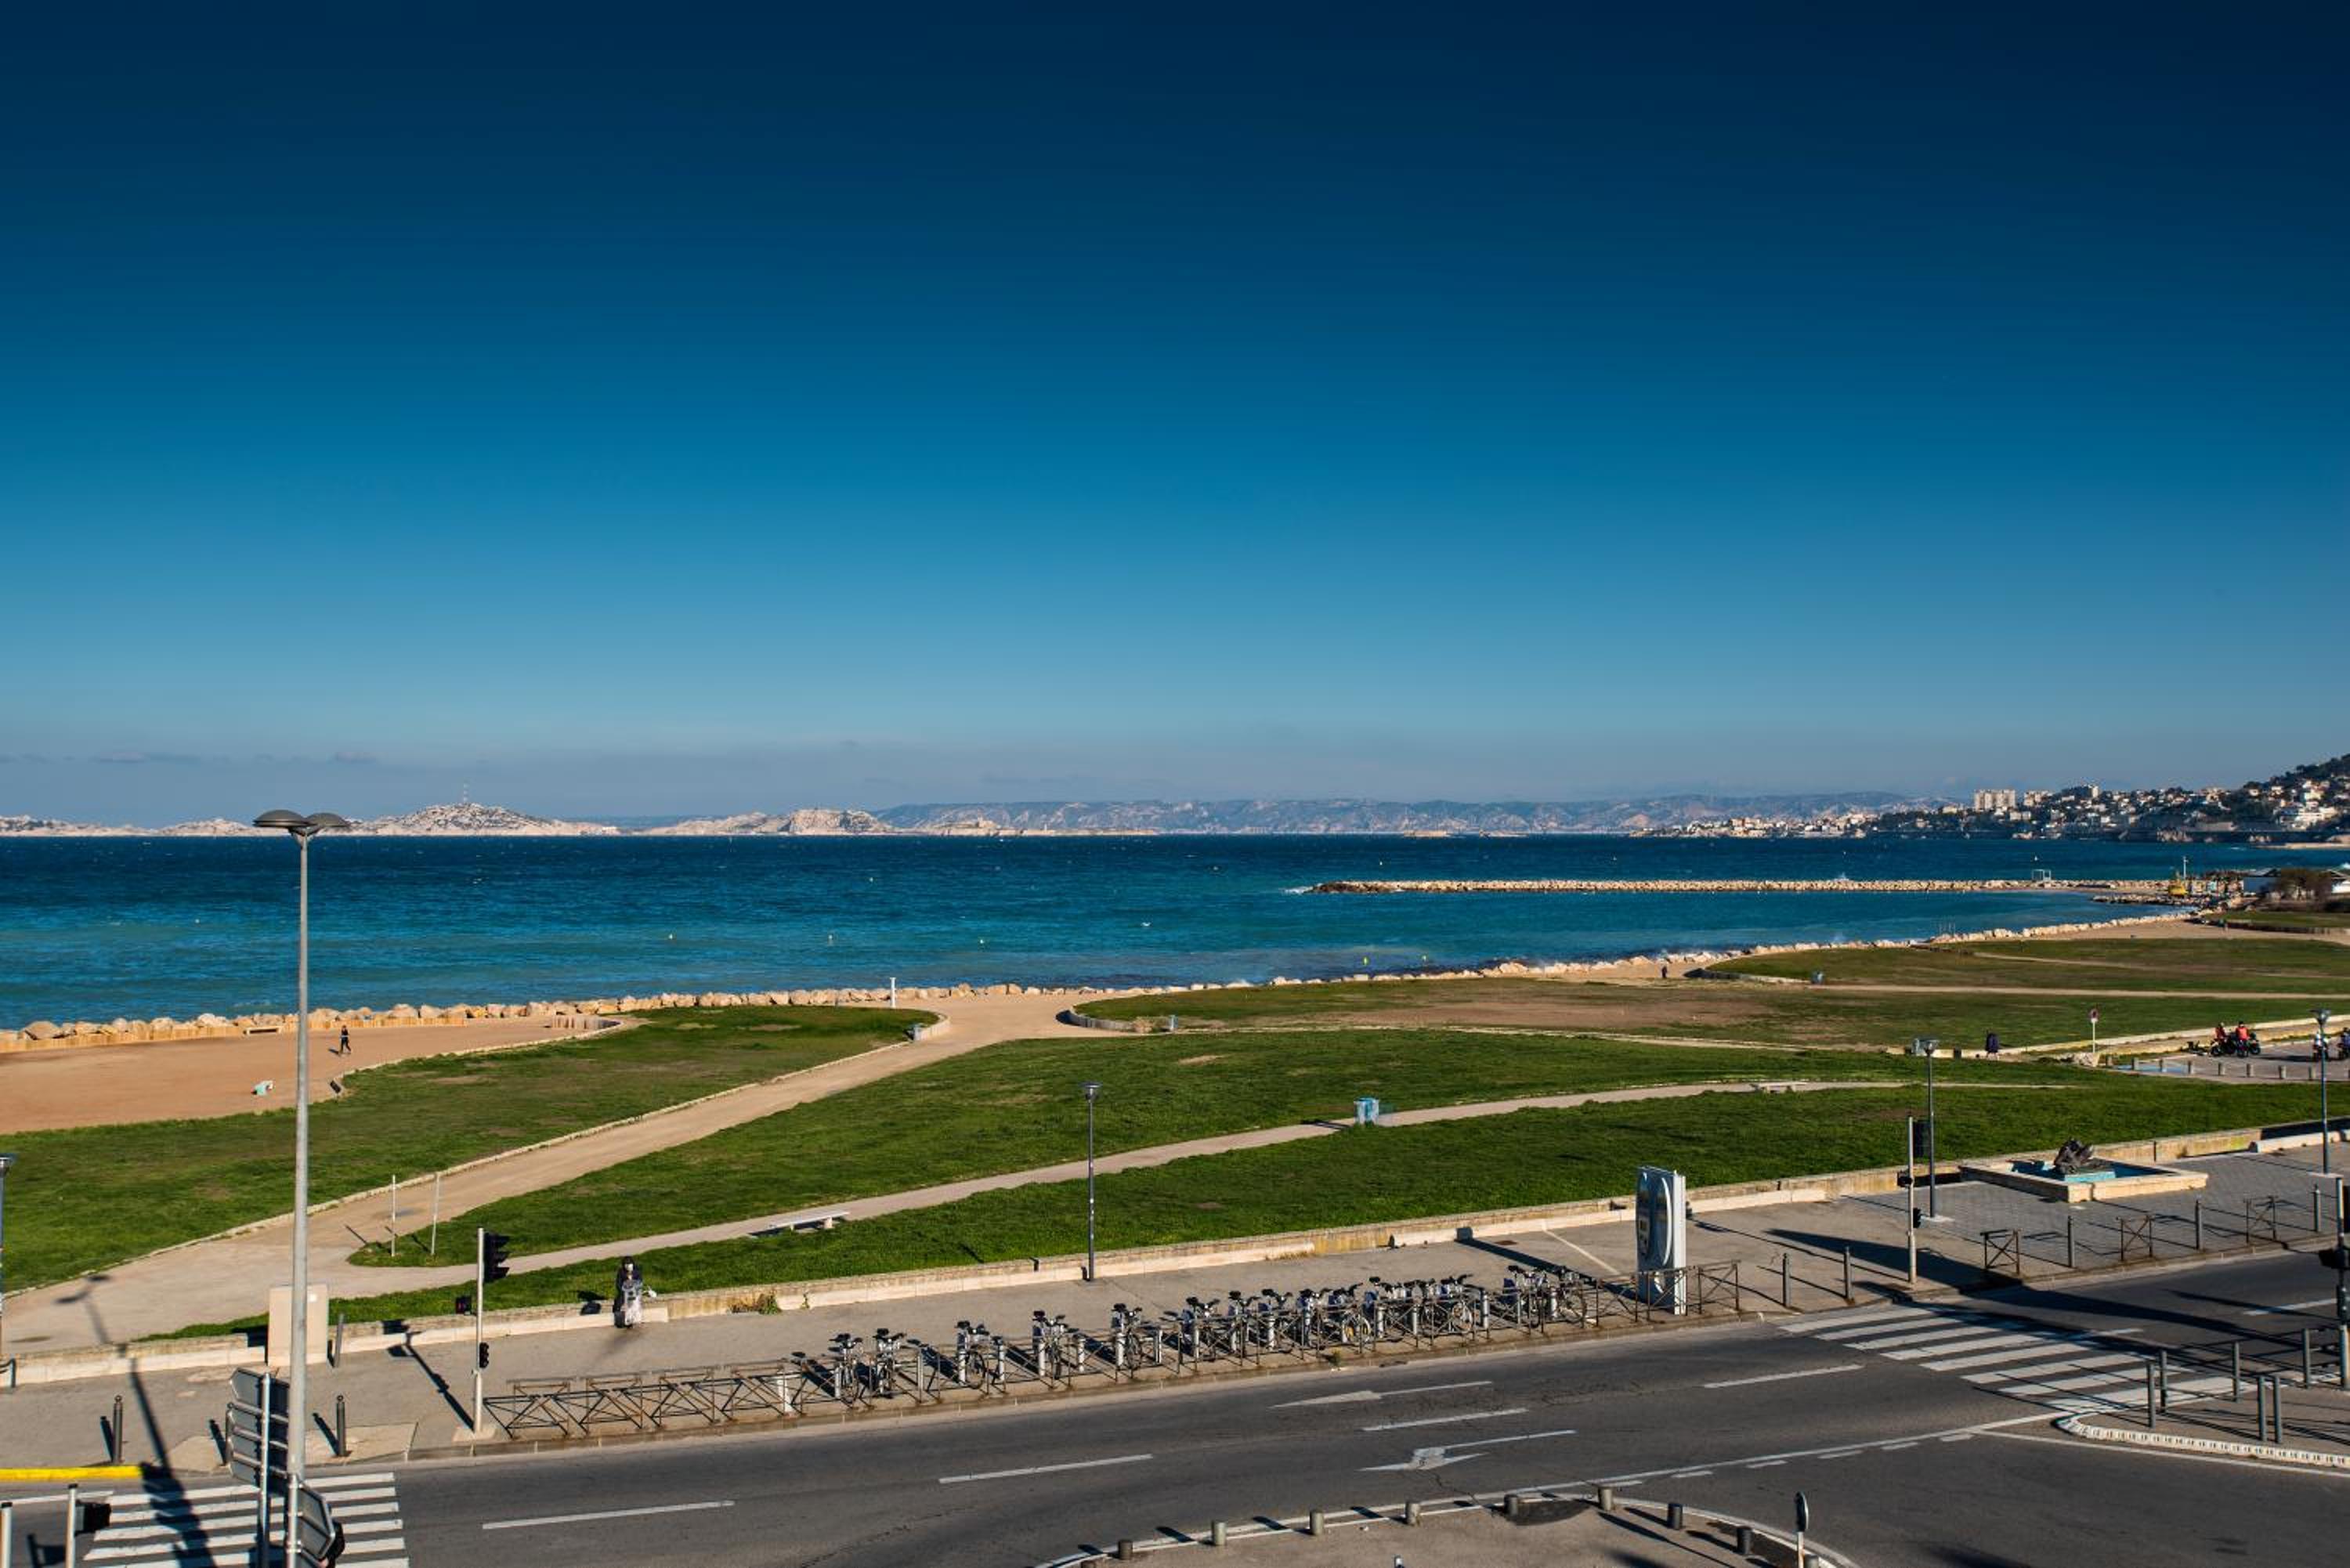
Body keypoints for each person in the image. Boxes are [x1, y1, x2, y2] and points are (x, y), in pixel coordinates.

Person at [614, 1256, 645, 1328]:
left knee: (635, 1305)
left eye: (629, 1264)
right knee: (623, 1305)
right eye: (626, 1264)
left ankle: (637, 1319)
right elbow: (618, 1283)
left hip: (635, 1292)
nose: (628, 1266)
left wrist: (635, 1288)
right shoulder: (621, 1272)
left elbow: (640, 1281)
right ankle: (627, 1321)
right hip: (625, 1292)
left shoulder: (637, 1271)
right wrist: (623, 1291)